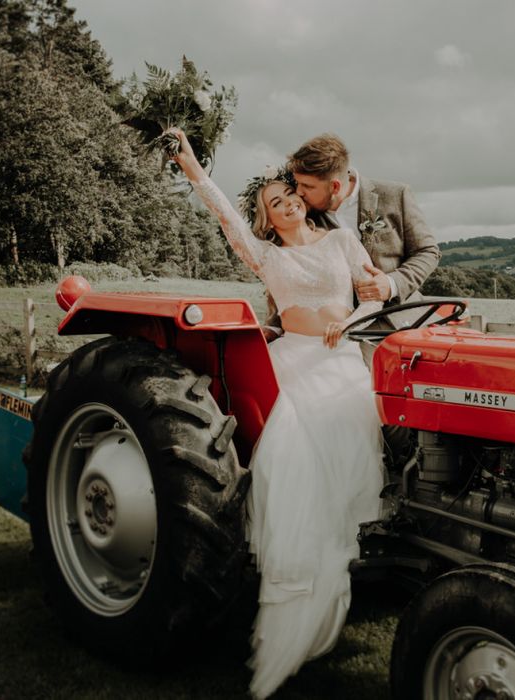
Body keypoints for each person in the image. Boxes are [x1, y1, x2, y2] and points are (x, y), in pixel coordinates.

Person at [167, 128, 384, 699]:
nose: (285, 203)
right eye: (273, 203)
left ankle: (350, 570)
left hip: (340, 363)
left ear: (301, 198)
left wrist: (352, 322)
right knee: (292, 465)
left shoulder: (341, 244)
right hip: (293, 363)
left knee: (340, 473)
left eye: (289, 194)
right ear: (265, 220)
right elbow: (221, 211)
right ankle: (295, 593)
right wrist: (192, 164)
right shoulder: (263, 254)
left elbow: (375, 295)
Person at [262, 133, 441, 349]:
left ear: (335, 186)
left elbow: (428, 251)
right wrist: (275, 326)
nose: (299, 193)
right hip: (340, 335)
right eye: (298, 185)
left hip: (403, 321)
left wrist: (392, 284)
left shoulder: (395, 195)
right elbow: (289, 267)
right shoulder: (304, 214)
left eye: (307, 187)